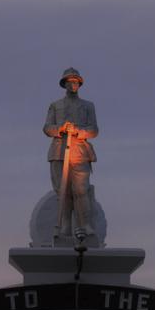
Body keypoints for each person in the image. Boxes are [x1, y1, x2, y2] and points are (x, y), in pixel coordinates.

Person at [43, 67, 98, 243]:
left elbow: (94, 130)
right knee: (63, 192)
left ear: (79, 84)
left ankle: (86, 224)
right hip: (59, 151)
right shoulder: (55, 105)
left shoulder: (88, 106)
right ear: (64, 84)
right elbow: (47, 128)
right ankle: (65, 226)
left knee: (81, 190)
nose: (73, 84)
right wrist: (60, 129)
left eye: (76, 82)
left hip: (80, 151)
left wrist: (78, 131)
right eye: (70, 81)